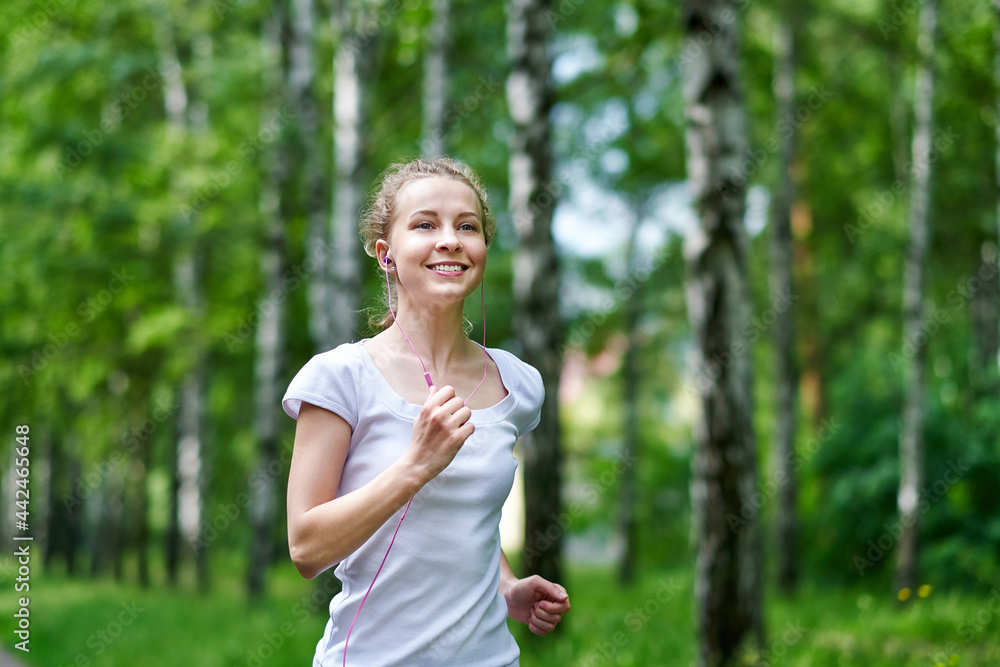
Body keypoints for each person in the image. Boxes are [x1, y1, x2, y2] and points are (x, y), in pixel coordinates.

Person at [282, 157, 570, 666]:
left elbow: (466, 520)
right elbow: (306, 549)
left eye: (468, 226)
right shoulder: (341, 377)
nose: (450, 240)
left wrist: (506, 586)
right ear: (385, 254)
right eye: (424, 225)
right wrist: (416, 465)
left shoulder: (517, 384)